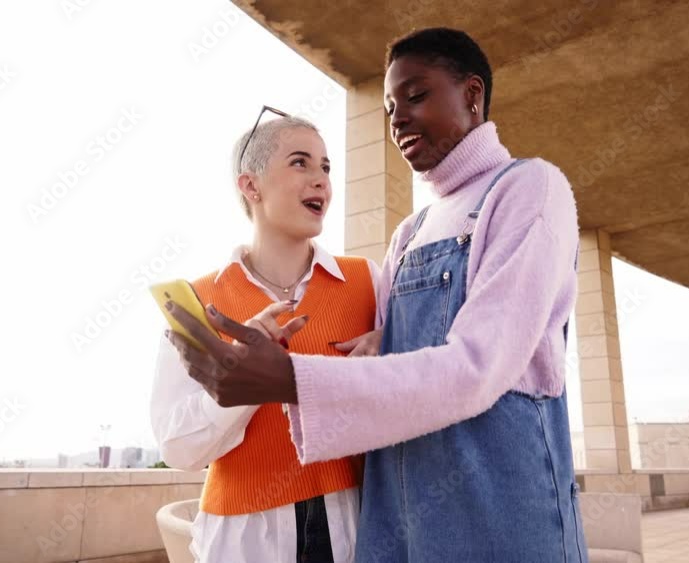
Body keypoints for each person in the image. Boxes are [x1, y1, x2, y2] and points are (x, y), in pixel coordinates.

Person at [167, 28, 586, 562]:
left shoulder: (527, 189)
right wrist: (382, 341)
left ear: (472, 94)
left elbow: (480, 366)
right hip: (399, 520)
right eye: (389, 108)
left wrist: (287, 378)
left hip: (499, 517)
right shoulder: (409, 234)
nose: (398, 120)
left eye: (415, 96)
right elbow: (402, 357)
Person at [149, 111, 382, 563]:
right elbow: (178, 448)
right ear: (251, 186)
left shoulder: (368, 282)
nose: (321, 181)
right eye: (301, 163)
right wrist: (242, 372)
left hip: (354, 523)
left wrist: (391, 342)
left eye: (326, 167)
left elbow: (423, 377)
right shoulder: (198, 302)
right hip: (242, 539)